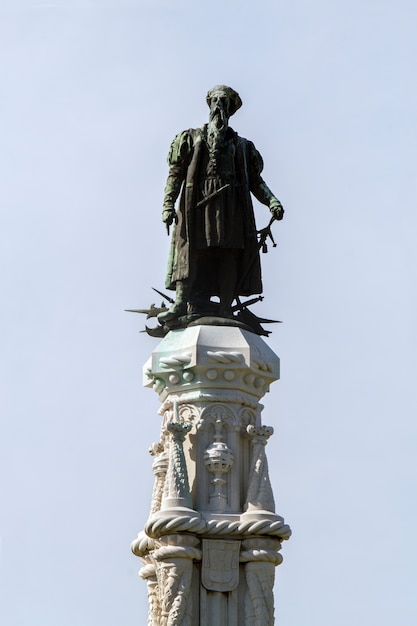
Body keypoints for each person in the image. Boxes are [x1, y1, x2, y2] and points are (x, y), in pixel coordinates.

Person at [159, 85, 284, 323]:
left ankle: (226, 307)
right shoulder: (190, 137)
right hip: (195, 205)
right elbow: (175, 174)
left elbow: (256, 182)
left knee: (229, 254)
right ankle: (181, 303)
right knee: (191, 251)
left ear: (230, 108)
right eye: (215, 100)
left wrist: (272, 200)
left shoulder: (244, 147)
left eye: (224, 101)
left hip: (232, 207)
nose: (219, 106)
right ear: (209, 105)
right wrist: (167, 205)